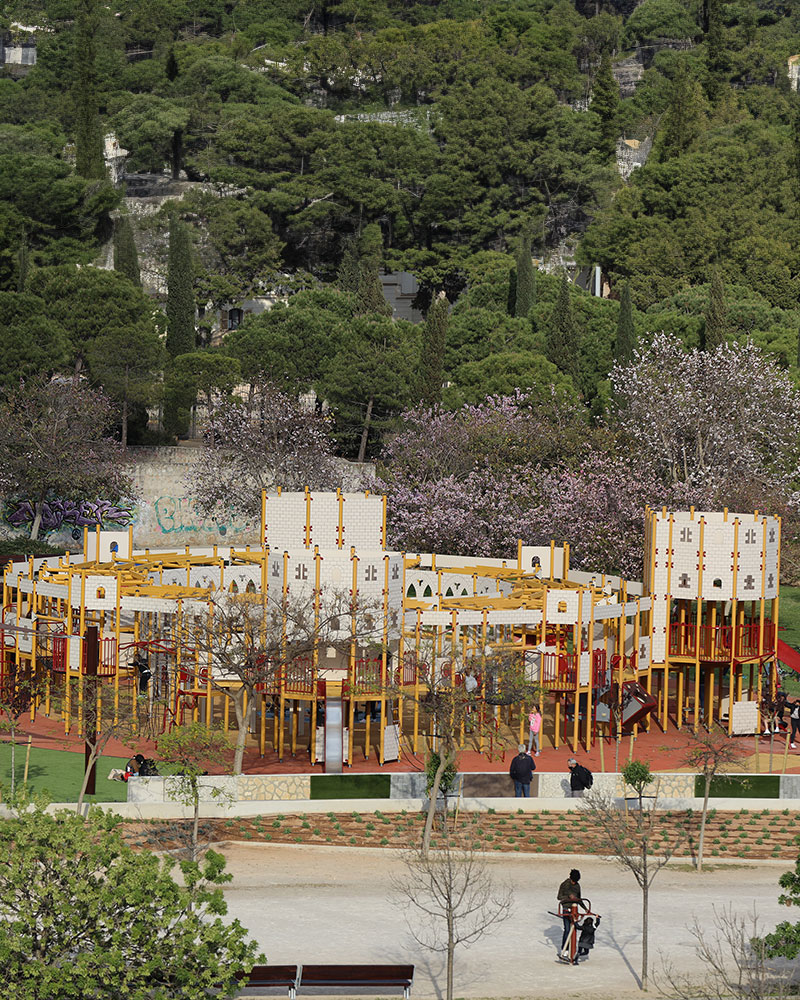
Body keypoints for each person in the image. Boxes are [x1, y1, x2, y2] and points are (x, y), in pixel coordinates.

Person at [557, 868, 583, 960]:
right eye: (573, 881)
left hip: (575, 910)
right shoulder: (564, 885)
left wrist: (586, 909)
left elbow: (579, 899)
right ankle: (564, 950)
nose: (574, 883)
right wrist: (569, 897)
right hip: (566, 909)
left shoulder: (577, 886)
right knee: (568, 929)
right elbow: (559, 897)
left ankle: (574, 951)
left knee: (575, 930)